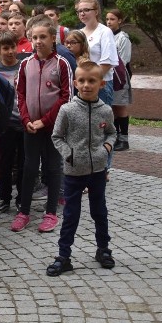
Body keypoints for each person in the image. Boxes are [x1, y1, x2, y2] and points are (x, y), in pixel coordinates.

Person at [47, 61, 116, 276]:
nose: (87, 85)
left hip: (97, 172)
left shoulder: (105, 110)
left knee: (99, 212)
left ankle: (103, 249)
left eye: (92, 81)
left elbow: (112, 133)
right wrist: (69, 154)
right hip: (73, 173)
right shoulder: (67, 110)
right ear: (76, 83)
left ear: (101, 84)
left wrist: (105, 148)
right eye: (82, 81)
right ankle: (64, 256)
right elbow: (56, 136)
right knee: (71, 214)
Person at [11, 19, 72, 233]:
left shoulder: (61, 64)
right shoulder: (25, 64)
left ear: (52, 38)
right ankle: (24, 211)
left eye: (43, 37)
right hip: (30, 127)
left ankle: (50, 212)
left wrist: (44, 121)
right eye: (34, 37)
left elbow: (66, 97)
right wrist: (26, 120)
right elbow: (20, 94)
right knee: (29, 168)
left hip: (53, 127)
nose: (38, 41)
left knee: (53, 168)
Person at [0, 32, 25, 216]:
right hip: (4, 124)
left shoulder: (25, 67)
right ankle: (5, 198)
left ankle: (22, 199)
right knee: (4, 163)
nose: (10, 51)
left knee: (23, 163)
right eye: (6, 48)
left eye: (13, 47)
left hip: (25, 122)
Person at [77, 0, 118, 105]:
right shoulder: (79, 33)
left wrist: (90, 80)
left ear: (96, 11)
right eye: (80, 11)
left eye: (86, 10)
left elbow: (107, 63)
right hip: (82, 86)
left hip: (100, 85)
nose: (82, 13)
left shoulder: (105, 32)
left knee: (100, 121)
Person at [106, 8, 132, 151]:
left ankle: (124, 139)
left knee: (120, 106)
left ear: (120, 21)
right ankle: (115, 136)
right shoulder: (106, 35)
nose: (109, 22)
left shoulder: (123, 38)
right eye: (107, 19)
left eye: (112, 19)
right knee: (112, 106)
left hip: (119, 76)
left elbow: (124, 59)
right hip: (109, 75)